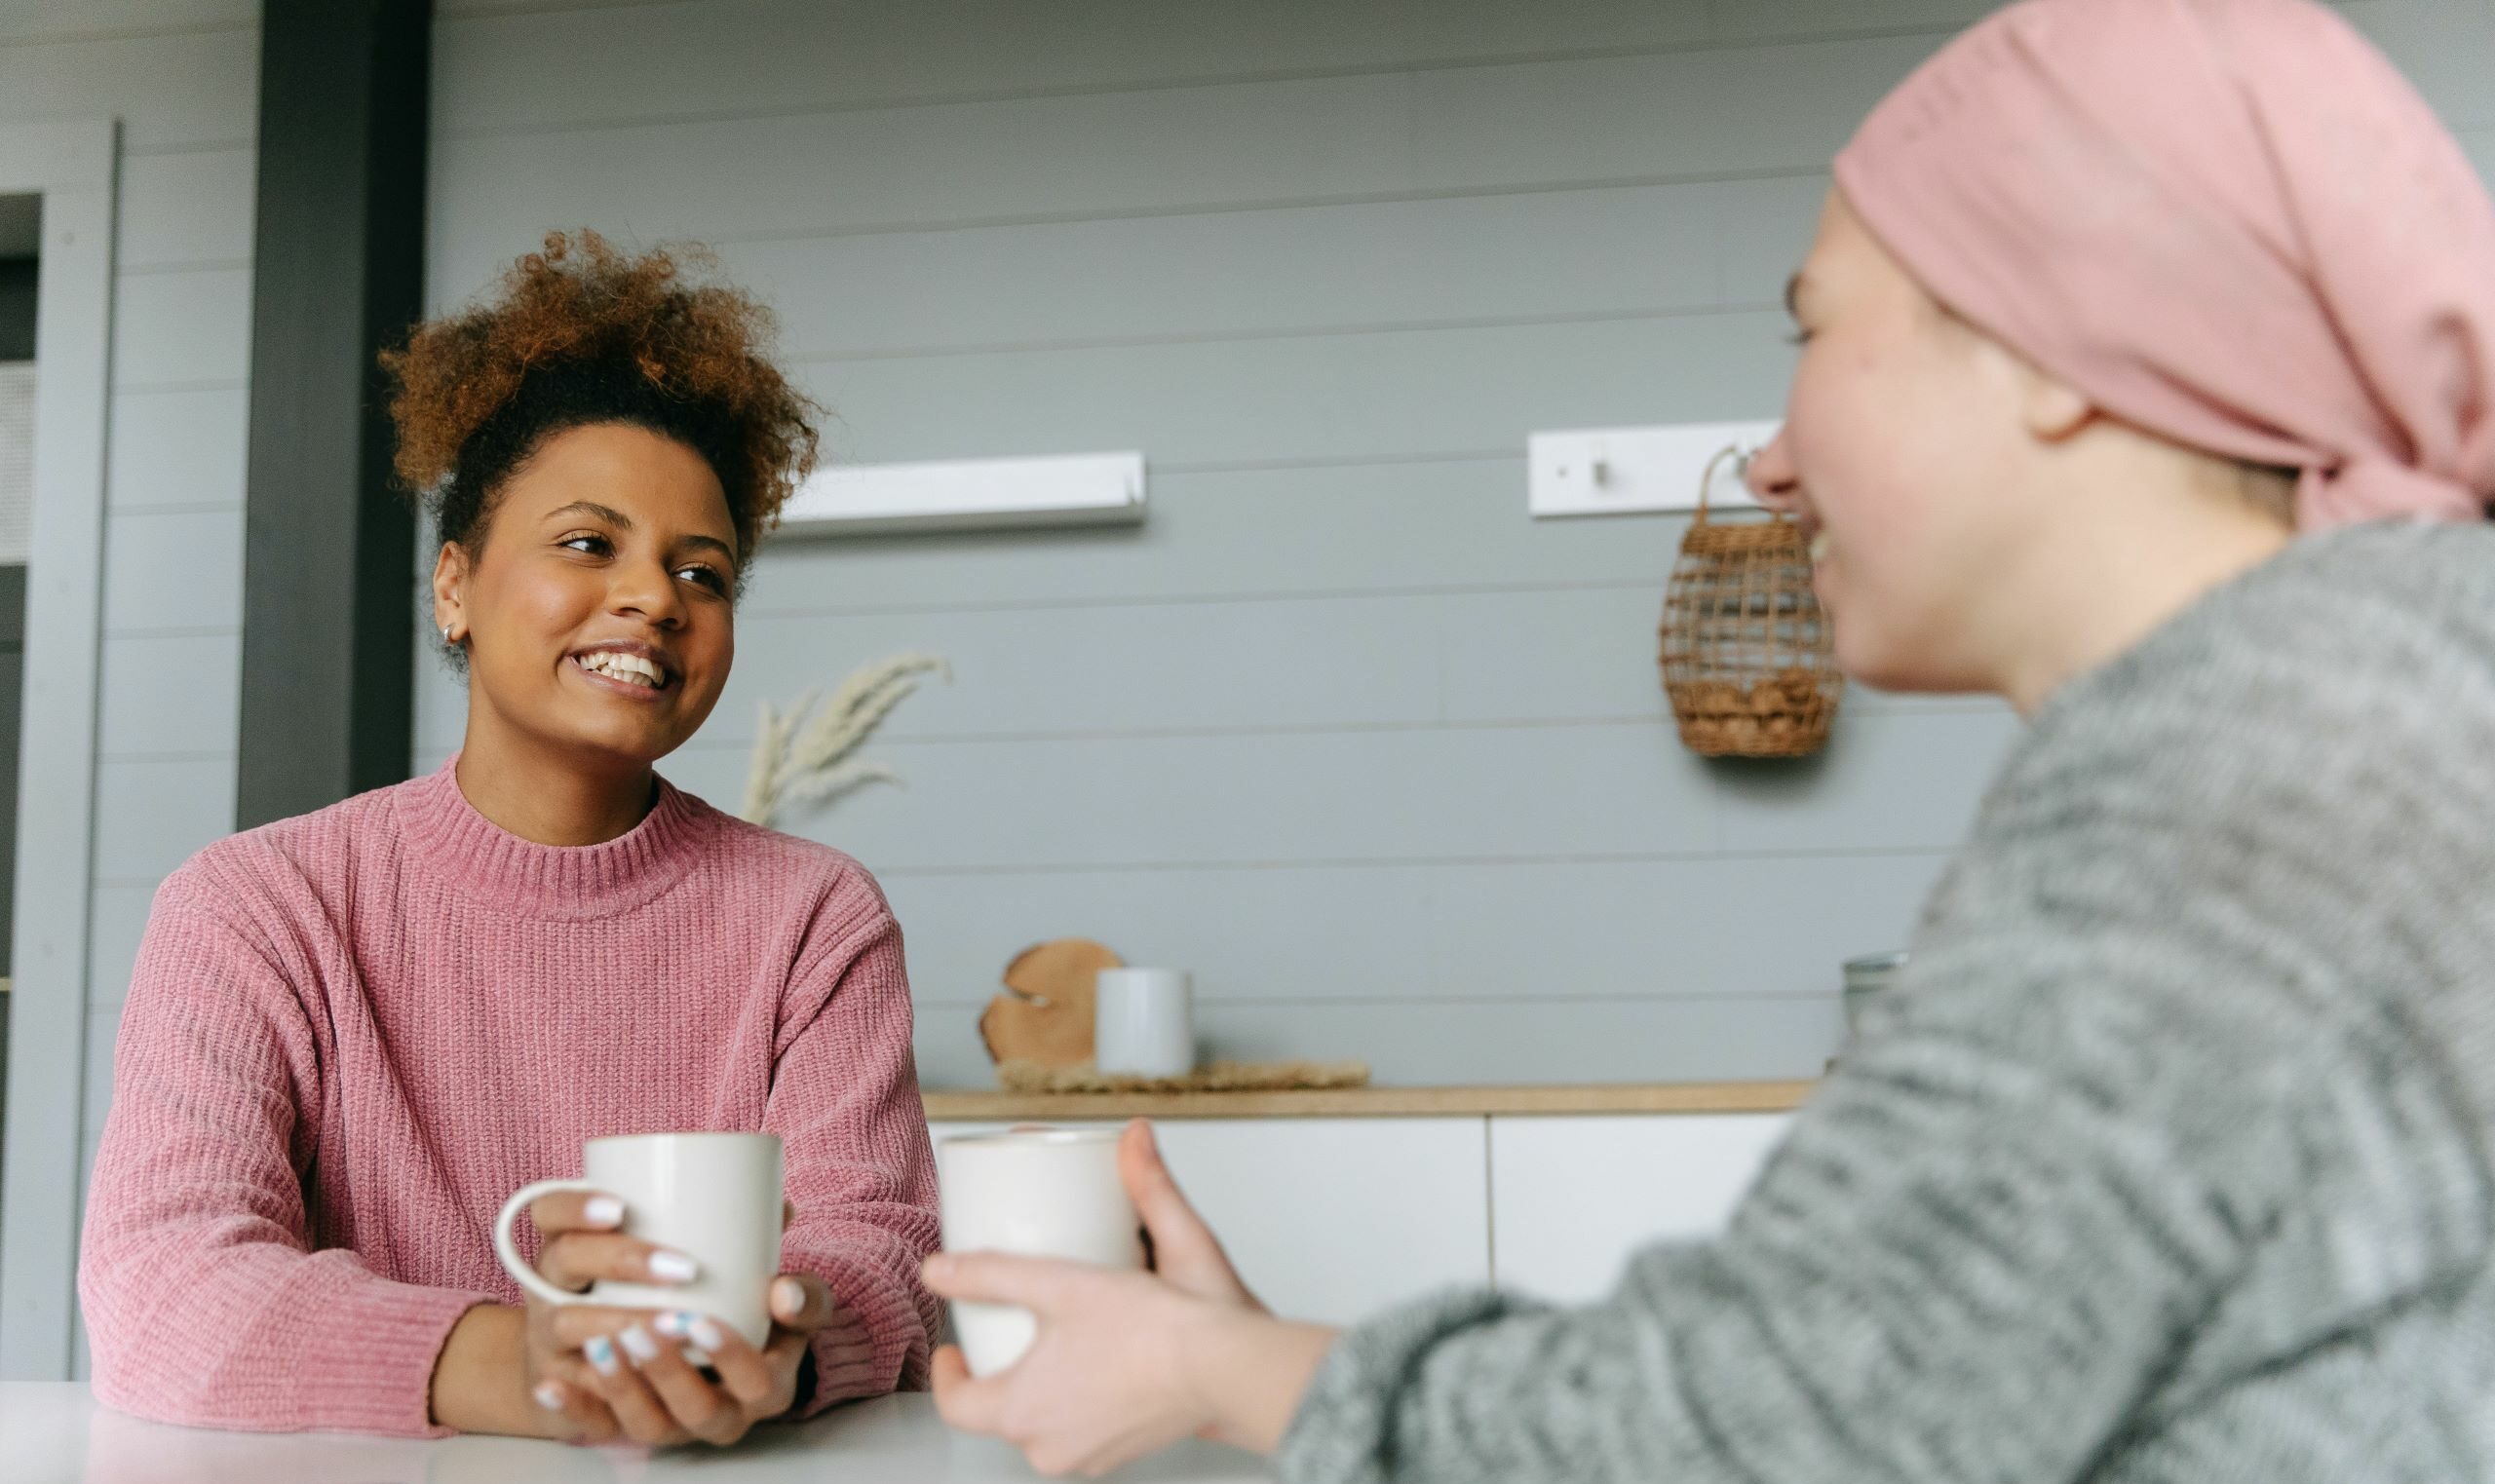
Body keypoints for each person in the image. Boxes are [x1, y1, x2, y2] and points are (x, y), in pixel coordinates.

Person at [921, 0, 2495, 1477]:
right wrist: (1230, 1346)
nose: (1772, 458)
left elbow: (1756, 1437)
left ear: (2053, 337)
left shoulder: (2231, 780)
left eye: (1814, 332)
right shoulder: (2379, 684)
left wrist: (1209, 1368)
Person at [78, 233, 942, 1446]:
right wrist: (528, 1362)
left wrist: (782, 1342)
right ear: (453, 586)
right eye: (590, 543)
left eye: (705, 571)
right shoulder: (256, 905)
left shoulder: (815, 914)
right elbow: (162, 1282)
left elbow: (883, 1250)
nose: (655, 595)